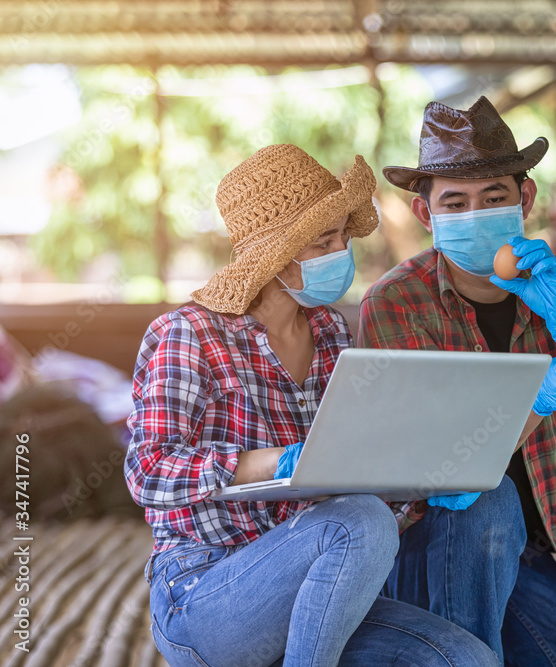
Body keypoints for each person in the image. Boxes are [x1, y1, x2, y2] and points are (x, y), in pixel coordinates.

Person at [125, 144, 499, 667]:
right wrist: (275, 461)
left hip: (319, 585)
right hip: (204, 593)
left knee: (467, 661)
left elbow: (351, 464)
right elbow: (148, 471)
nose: (341, 252)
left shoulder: (329, 333)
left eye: (343, 237)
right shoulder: (187, 334)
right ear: (276, 256)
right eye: (325, 241)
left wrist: (422, 479)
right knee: (360, 521)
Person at [361, 97, 556, 665]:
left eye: (494, 197)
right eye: (456, 203)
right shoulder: (398, 301)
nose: (477, 214)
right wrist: (538, 398)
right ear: (426, 215)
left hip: (531, 553)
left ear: (526, 197)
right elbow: (439, 470)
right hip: (432, 543)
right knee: (486, 506)